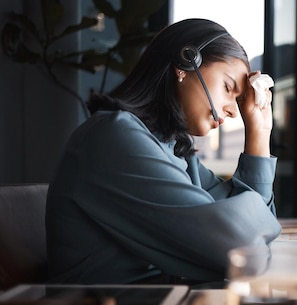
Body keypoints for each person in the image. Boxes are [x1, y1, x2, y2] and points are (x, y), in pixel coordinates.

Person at [45, 18, 282, 285]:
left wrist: (259, 132)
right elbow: (241, 251)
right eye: (227, 88)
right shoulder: (115, 138)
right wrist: (246, 229)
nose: (232, 110)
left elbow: (255, 232)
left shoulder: (172, 149)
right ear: (186, 63)